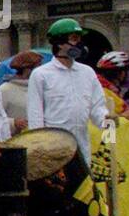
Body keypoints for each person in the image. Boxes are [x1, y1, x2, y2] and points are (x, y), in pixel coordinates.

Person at [27, 18, 109, 164]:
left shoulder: (87, 72)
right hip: (54, 149)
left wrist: (106, 120)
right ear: (59, 42)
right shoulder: (41, 75)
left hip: (82, 148)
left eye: (79, 38)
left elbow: (97, 106)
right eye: (74, 38)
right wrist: (40, 147)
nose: (79, 43)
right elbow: (35, 116)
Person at [0, 50, 42, 133]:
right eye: (38, 67)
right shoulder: (5, 90)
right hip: (14, 141)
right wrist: (13, 123)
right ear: (27, 69)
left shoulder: (40, 88)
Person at [95, 51, 129, 123]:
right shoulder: (104, 92)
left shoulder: (102, 89)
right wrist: (123, 116)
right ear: (121, 73)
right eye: (127, 71)